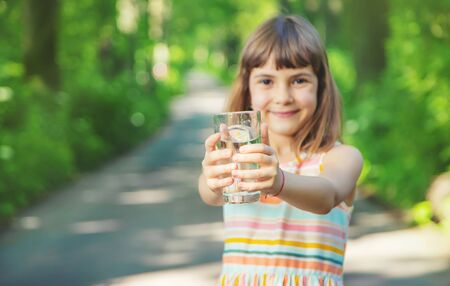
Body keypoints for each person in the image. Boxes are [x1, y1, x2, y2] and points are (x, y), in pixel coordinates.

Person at [198, 15, 363, 286]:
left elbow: (327, 196)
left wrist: (278, 182)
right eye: (266, 81)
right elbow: (208, 192)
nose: (283, 96)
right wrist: (214, 178)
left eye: (299, 81)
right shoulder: (240, 159)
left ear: (321, 87)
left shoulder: (340, 158)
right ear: (248, 89)